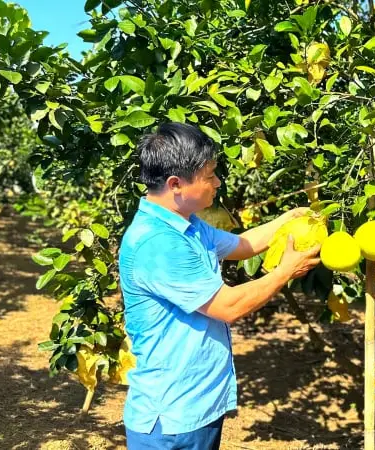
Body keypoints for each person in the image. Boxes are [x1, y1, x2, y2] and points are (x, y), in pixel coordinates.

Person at [118, 122, 321, 449]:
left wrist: (288, 219)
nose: (218, 182)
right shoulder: (158, 243)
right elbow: (228, 306)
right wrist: (285, 272)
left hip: (195, 406)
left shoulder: (187, 225)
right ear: (176, 184)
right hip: (171, 420)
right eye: (209, 176)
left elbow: (243, 244)